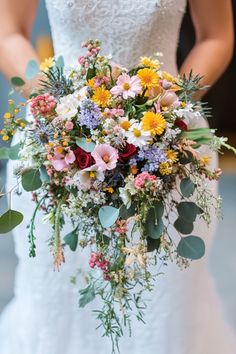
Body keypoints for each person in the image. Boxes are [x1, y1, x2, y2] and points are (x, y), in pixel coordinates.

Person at [0, 1, 235, 353]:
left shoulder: (169, 122)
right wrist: (59, 111)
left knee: (167, 292)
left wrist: (170, 107)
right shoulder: (62, 124)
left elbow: (217, 36)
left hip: (170, 144)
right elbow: (9, 33)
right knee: (58, 291)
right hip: (60, 149)